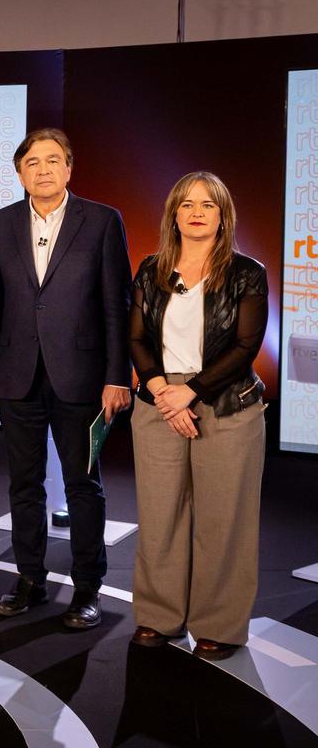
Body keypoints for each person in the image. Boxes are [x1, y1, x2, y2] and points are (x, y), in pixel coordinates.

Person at [0, 128, 131, 629]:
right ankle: (30, 580)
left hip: (82, 379)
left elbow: (116, 305)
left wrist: (116, 375)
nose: (42, 169)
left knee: (83, 485)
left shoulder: (102, 221)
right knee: (24, 484)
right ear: (20, 174)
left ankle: (87, 589)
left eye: (52, 160)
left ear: (69, 168)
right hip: (17, 375)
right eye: (32, 163)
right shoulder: (0, 225)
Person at [128, 171, 268, 661]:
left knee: (221, 520)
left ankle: (219, 624)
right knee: (161, 516)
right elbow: (137, 338)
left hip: (226, 407)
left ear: (222, 214)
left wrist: (191, 393)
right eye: (186, 204)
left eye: (207, 205)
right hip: (159, 405)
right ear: (173, 214)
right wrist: (163, 390)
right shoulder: (150, 269)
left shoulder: (248, 272)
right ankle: (159, 616)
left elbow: (246, 346)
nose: (196, 212)